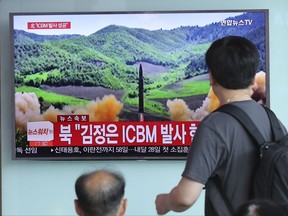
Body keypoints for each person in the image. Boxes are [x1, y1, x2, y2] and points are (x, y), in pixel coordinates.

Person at [155, 36, 287, 215]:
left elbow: (184, 198)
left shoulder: (214, 126)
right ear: (253, 79)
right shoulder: (273, 120)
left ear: (212, 77)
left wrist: (164, 202)